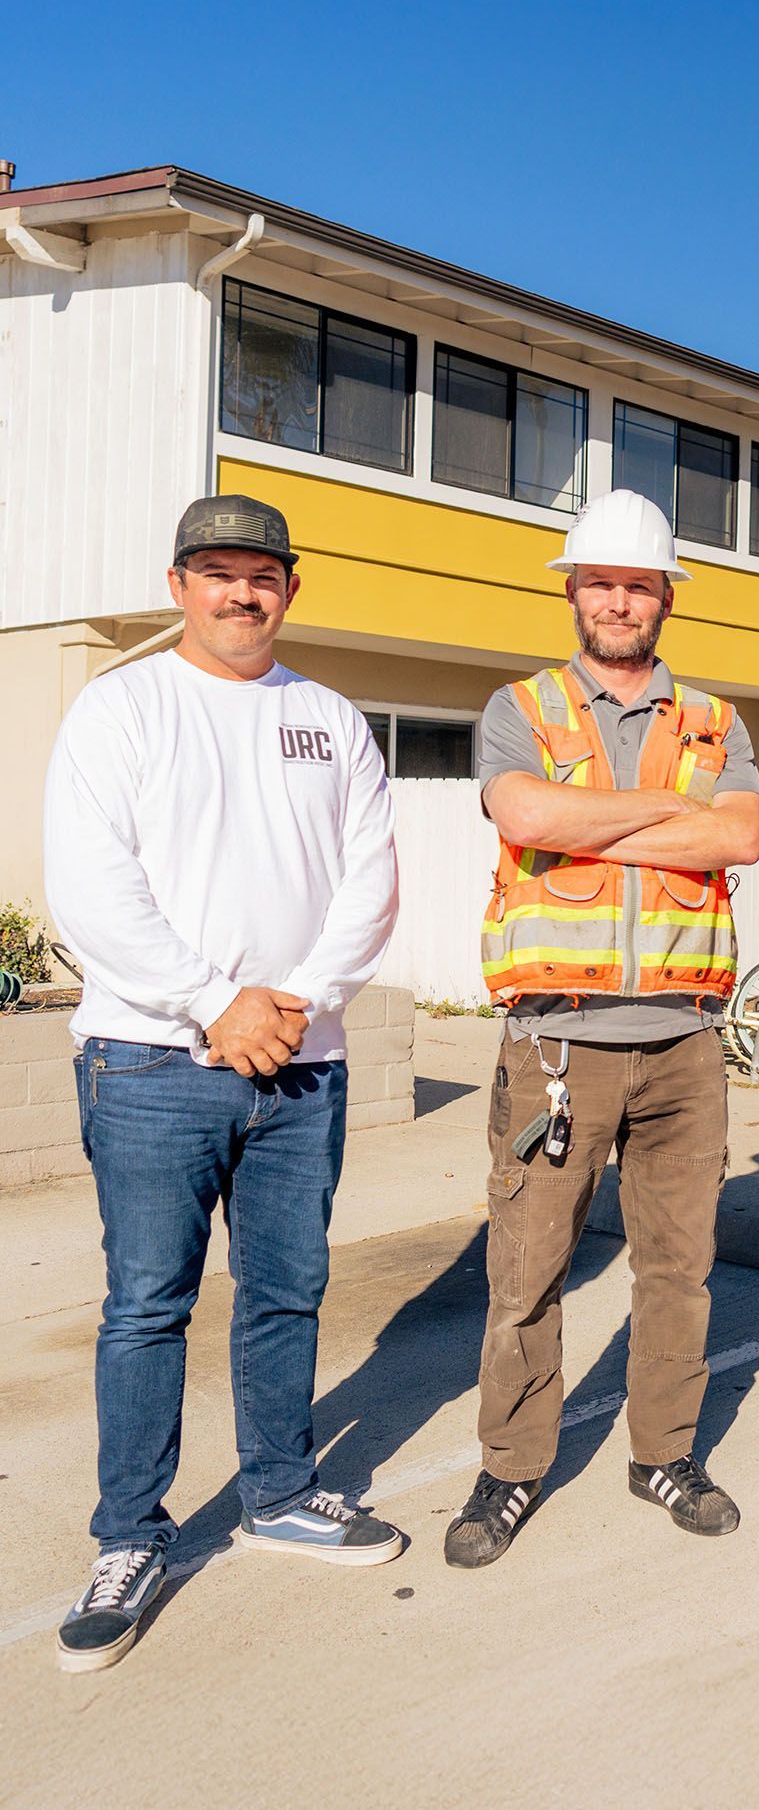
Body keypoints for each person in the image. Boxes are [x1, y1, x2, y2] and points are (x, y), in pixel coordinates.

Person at [42, 495, 402, 1674]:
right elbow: (92, 887)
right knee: (148, 1303)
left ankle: (280, 1492)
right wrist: (215, 1001)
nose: (240, 593)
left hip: (304, 1060)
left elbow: (370, 880)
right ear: (178, 582)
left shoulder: (331, 718)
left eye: (261, 575)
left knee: (287, 1291)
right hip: (151, 1058)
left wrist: (295, 997)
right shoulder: (121, 708)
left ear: (289, 589)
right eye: (217, 572)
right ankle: (128, 1537)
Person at [444, 490, 759, 1568]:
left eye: (638, 583)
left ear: (666, 595)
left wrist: (602, 830)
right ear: (573, 591)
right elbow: (525, 818)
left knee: (679, 1270)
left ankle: (663, 1453)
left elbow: (739, 839)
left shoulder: (717, 721)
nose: (619, 600)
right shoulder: (520, 707)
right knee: (527, 1271)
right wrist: (672, 824)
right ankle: (513, 1468)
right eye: (601, 582)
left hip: (683, 1041)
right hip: (558, 1041)